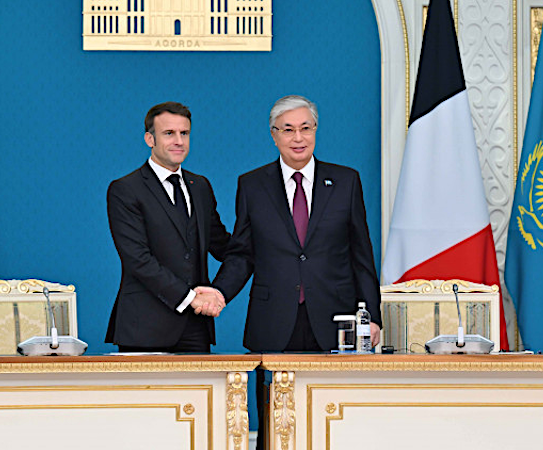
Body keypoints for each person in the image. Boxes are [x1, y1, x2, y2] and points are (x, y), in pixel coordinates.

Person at [203, 95, 382, 449]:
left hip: (336, 320)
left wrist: (372, 317)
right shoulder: (252, 185)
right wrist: (219, 291)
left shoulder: (345, 182)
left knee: (333, 423)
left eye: (305, 128)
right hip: (274, 320)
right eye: (288, 130)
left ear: (315, 131)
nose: (298, 137)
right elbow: (242, 253)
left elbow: (362, 255)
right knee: (273, 427)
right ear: (274, 135)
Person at [105, 101, 229, 353]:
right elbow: (138, 259)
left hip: (196, 327)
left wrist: (269, 244)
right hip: (144, 327)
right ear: (149, 139)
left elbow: (222, 244)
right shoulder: (125, 189)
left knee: (200, 393)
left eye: (184, 133)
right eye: (169, 133)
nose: (179, 141)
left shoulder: (200, 186)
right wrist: (192, 298)